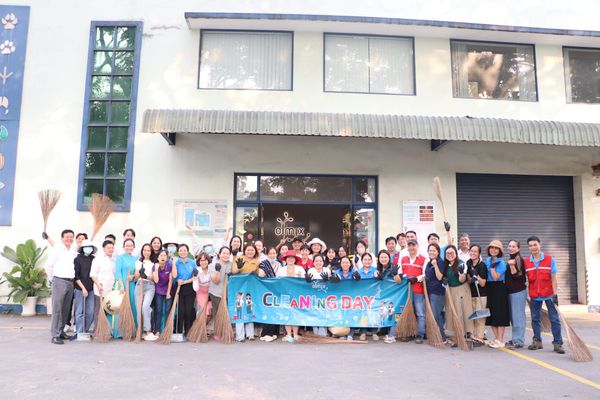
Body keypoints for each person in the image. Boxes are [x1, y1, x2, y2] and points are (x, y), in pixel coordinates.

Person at [524, 236, 564, 354]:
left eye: (535, 245)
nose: (533, 247)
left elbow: (554, 278)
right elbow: (525, 279)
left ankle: (558, 343)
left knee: (554, 319)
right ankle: (537, 341)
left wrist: (555, 295)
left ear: (539, 245)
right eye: (530, 245)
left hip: (549, 294)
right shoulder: (526, 262)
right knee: (535, 319)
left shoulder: (549, 259)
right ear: (528, 247)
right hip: (534, 295)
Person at [45, 230, 77, 344]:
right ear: (62, 238)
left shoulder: (73, 250)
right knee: (57, 309)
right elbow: (48, 266)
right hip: (59, 280)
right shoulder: (57, 249)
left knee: (65, 309)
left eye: (71, 237)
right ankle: (55, 335)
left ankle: (61, 331)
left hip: (70, 282)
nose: (69, 239)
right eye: (67, 237)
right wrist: (52, 279)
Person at [397, 239, 427, 344]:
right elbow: (400, 272)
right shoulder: (403, 259)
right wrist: (403, 276)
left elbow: (425, 274)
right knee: (408, 312)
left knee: (420, 313)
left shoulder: (423, 259)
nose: (411, 248)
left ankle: (420, 335)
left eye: (413, 245)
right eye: (409, 246)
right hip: (406, 291)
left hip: (418, 290)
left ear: (417, 246)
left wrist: (417, 278)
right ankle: (409, 333)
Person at [444, 245, 474, 345]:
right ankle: (455, 335)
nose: (450, 255)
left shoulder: (461, 264)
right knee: (452, 312)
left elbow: (462, 279)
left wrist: (461, 273)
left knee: (461, 312)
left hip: (461, 290)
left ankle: (461, 336)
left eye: (452, 253)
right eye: (447, 253)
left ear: (456, 254)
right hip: (450, 290)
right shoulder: (446, 265)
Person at [484, 240, 510, 349]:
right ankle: (497, 339)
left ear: (499, 251)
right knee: (491, 314)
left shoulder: (501, 263)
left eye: (496, 248)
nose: (493, 250)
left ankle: (500, 340)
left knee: (500, 314)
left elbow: (495, 277)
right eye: (491, 248)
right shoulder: (487, 260)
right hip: (489, 288)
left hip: (499, 288)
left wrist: (492, 268)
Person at [232, 243, 260, 341]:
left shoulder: (257, 262)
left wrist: (256, 273)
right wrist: (239, 267)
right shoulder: (239, 258)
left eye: (252, 250)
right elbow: (233, 271)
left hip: (250, 288)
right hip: (239, 287)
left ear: (255, 251)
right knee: (239, 309)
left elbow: (258, 274)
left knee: (249, 308)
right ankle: (240, 336)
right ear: (244, 250)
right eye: (248, 250)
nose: (250, 252)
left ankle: (250, 334)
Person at [277, 250, 306, 342]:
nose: (290, 259)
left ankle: (296, 334)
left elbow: (304, 282)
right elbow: (277, 282)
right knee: (286, 313)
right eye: (288, 258)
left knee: (296, 314)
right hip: (284, 294)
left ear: (295, 259)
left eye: (292, 258)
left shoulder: (300, 269)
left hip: (297, 295)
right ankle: (289, 334)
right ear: (285, 259)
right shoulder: (281, 269)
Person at [330, 256, 361, 340]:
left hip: (352, 299)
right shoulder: (336, 272)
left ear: (350, 264)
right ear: (340, 264)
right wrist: (332, 280)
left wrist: (358, 279)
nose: (345, 264)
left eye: (347, 262)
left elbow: (359, 284)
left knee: (352, 315)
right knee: (341, 316)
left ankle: (351, 334)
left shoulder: (354, 272)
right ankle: (342, 333)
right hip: (339, 299)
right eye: (343, 262)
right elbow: (332, 286)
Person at [505, 240, 527, 349]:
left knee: (518, 317)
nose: (511, 248)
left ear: (518, 248)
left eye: (514, 246)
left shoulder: (518, 258)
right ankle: (515, 338)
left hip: (518, 291)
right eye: (509, 246)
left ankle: (519, 341)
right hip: (511, 292)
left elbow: (516, 275)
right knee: (514, 317)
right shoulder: (512, 258)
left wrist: (512, 265)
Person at [258, 247, 283, 341]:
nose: (272, 255)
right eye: (270, 253)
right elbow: (260, 275)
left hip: (277, 290)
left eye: (274, 253)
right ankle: (266, 333)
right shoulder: (263, 263)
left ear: (276, 254)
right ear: (267, 254)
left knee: (276, 310)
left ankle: (274, 332)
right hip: (266, 290)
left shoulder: (279, 264)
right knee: (268, 310)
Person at [90, 240, 115, 333]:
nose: (111, 249)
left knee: (108, 310)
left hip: (111, 291)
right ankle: (97, 330)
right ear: (104, 248)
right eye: (109, 248)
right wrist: (98, 285)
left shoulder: (114, 260)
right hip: (100, 289)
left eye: (112, 248)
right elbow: (93, 274)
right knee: (98, 310)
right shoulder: (98, 259)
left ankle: (106, 330)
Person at [208, 247, 233, 339]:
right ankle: (218, 332)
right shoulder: (214, 264)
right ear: (219, 254)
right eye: (224, 253)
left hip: (227, 293)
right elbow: (215, 281)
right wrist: (218, 270)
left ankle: (225, 332)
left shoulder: (231, 264)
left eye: (228, 253)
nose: (226, 255)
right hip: (216, 292)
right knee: (218, 313)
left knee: (226, 313)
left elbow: (235, 271)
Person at [425, 243, 447, 341]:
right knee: (434, 314)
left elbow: (439, 277)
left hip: (438, 292)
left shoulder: (440, 262)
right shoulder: (429, 262)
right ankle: (436, 334)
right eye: (430, 250)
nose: (432, 252)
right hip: (430, 291)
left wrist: (435, 265)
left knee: (437, 314)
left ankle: (442, 337)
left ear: (438, 252)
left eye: (434, 250)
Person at [173, 244, 196, 336]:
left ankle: (188, 331)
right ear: (178, 252)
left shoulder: (192, 262)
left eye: (184, 250)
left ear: (188, 251)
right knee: (180, 311)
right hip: (178, 288)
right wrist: (173, 263)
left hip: (189, 287)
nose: (183, 252)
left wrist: (185, 281)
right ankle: (178, 332)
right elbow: (174, 275)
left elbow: (195, 277)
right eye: (180, 250)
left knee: (188, 311)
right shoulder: (176, 262)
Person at [134, 244, 156, 341]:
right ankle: (140, 331)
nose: (146, 252)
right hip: (139, 285)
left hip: (150, 286)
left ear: (151, 252)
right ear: (142, 251)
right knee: (139, 309)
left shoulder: (154, 263)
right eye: (145, 250)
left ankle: (148, 330)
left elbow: (155, 278)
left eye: (148, 250)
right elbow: (136, 276)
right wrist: (139, 273)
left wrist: (146, 276)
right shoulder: (138, 262)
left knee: (145, 307)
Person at [74, 240, 96, 335]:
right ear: (83, 248)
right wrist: (83, 288)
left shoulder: (94, 259)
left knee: (90, 311)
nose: (89, 248)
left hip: (91, 288)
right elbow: (76, 275)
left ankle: (85, 329)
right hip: (80, 288)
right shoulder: (77, 259)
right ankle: (79, 331)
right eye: (87, 247)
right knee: (80, 311)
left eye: (90, 247)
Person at [466, 244, 487, 345]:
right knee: (473, 317)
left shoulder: (482, 266)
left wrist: (477, 276)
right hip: (471, 294)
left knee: (480, 318)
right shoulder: (468, 263)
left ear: (479, 254)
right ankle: (474, 337)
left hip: (480, 295)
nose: (473, 253)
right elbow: (468, 280)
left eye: (475, 251)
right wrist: (470, 278)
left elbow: (483, 283)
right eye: (471, 251)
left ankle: (479, 338)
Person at [115, 238, 138, 325]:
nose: (129, 247)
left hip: (131, 286)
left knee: (132, 305)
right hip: (122, 285)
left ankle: (131, 328)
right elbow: (118, 272)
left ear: (134, 247)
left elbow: (137, 273)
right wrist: (121, 285)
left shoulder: (135, 259)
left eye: (131, 246)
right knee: (120, 306)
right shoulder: (120, 258)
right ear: (124, 247)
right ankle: (120, 329)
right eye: (127, 246)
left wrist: (133, 276)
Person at [152, 250, 172, 334]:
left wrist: (168, 293)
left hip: (168, 289)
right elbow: (156, 280)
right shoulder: (154, 266)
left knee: (167, 310)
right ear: (158, 258)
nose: (163, 257)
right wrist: (156, 269)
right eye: (161, 255)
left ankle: (166, 330)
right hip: (158, 290)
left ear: (167, 258)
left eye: (164, 255)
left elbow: (170, 280)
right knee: (159, 310)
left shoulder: (169, 266)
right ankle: (157, 330)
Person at [193, 252, 212, 317]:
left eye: (205, 260)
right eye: (201, 260)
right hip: (201, 292)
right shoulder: (197, 270)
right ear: (199, 261)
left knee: (210, 309)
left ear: (208, 261)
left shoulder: (211, 269)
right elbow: (195, 288)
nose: (203, 262)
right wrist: (195, 278)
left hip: (210, 292)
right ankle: (201, 322)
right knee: (204, 309)